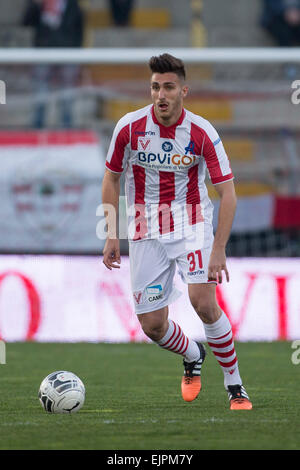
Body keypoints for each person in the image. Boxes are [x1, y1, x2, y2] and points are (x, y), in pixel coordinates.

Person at [102, 53, 252, 410]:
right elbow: (111, 177)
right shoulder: (129, 127)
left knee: (203, 301)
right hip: (144, 229)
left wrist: (219, 248)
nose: (161, 95)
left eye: (168, 86)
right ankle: (192, 353)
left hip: (191, 223)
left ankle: (235, 387)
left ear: (183, 90)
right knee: (152, 325)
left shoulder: (201, 133)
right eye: (155, 87)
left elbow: (227, 192)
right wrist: (112, 233)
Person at [22, 0, 84, 128]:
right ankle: (37, 125)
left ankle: (66, 126)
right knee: (40, 90)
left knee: (67, 92)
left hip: (68, 53)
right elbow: (25, 22)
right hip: (43, 51)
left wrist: (77, 54)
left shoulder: (73, 4)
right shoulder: (39, 4)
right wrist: (36, 5)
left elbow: (79, 30)